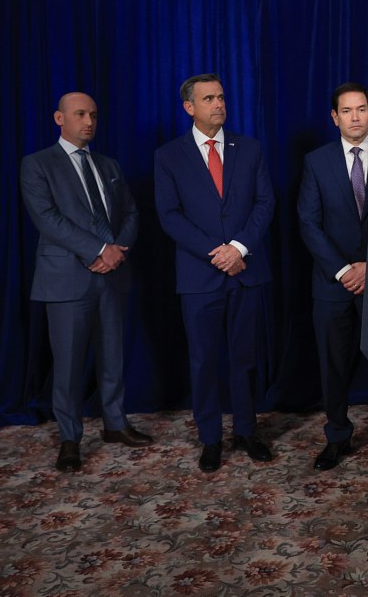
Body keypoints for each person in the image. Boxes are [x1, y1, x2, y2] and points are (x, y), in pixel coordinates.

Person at [20, 92, 153, 473]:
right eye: (80, 114)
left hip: (112, 275)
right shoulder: (37, 164)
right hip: (65, 278)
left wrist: (116, 250)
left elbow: (130, 211)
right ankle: (70, 438)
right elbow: (46, 218)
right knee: (68, 363)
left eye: (93, 114)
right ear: (59, 118)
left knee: (113, 355)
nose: (89, 121)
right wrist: (98, 249)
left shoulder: (108, 164)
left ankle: (115, 424)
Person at [154, 74, 276, 473]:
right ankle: (210, 437)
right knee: (203, 360)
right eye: (209, 99)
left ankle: (246, 431)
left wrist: (238, 248)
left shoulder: (251, 149)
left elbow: (264, 203)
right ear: (189, 107)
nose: (219, 104)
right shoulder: (169, 156)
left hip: (245, 271)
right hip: (199, 276)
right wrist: (217, 254)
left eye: (222, 97)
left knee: (245, 358)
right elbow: (169, 215)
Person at [298, 83, 368, 470]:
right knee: (333, 365)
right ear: (335, 117)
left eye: (361, 109)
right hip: (333, 283)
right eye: (347, 111)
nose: (355, 117)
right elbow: (308, 223)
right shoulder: (317, 161)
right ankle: (338, 436)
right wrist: (345, 270)